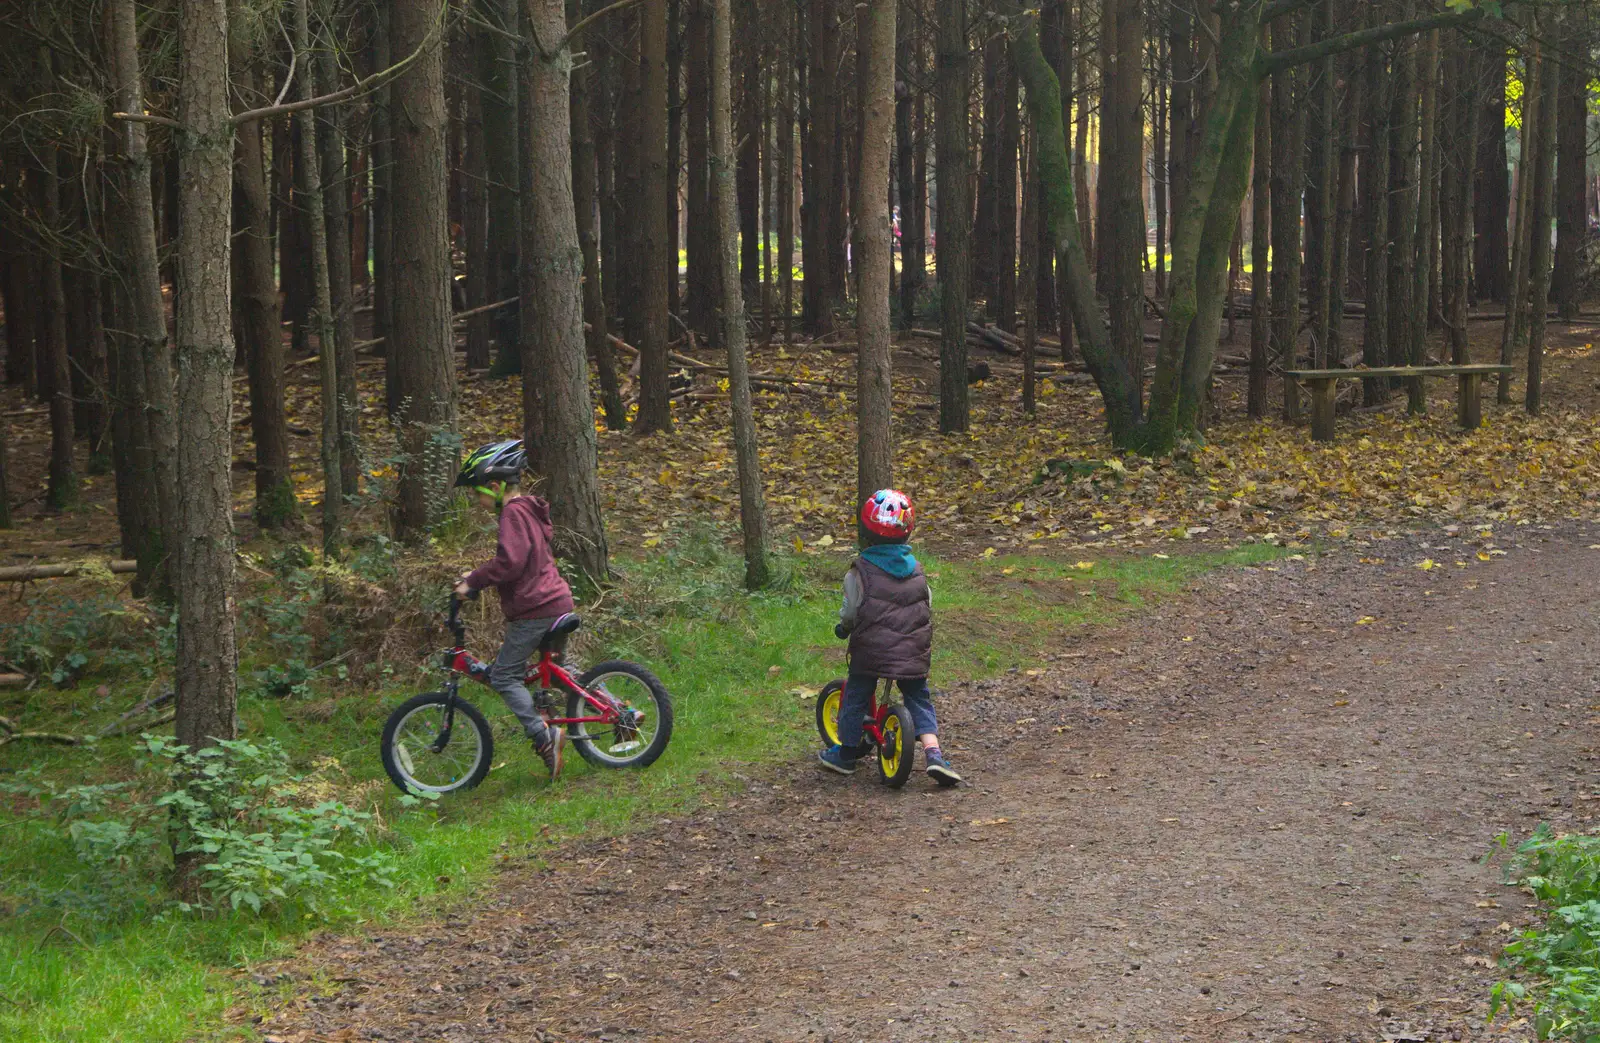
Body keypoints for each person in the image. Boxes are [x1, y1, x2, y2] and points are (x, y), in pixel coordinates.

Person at [820, 489, 961, 786]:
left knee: (856, 694)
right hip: (912, 651)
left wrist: (843, 629)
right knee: (918, 698)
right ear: (907, 531)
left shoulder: (859, 573)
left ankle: (846, 754)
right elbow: (926, 606)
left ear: (867, 530)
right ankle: (934, 754)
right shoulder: (918, 572)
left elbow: (850, 613)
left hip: (871, 652)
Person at [453, 439, 574, 780]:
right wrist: (475, 576)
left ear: (495, 486)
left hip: (535, 608)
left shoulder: (511, 513)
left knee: (504, 675)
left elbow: (510, 563)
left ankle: (543, 735)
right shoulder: (529, 511)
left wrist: (473, 582)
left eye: (477, 493)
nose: (476, 501)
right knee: (565, 671)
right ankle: (618, 710)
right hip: (556, 600)